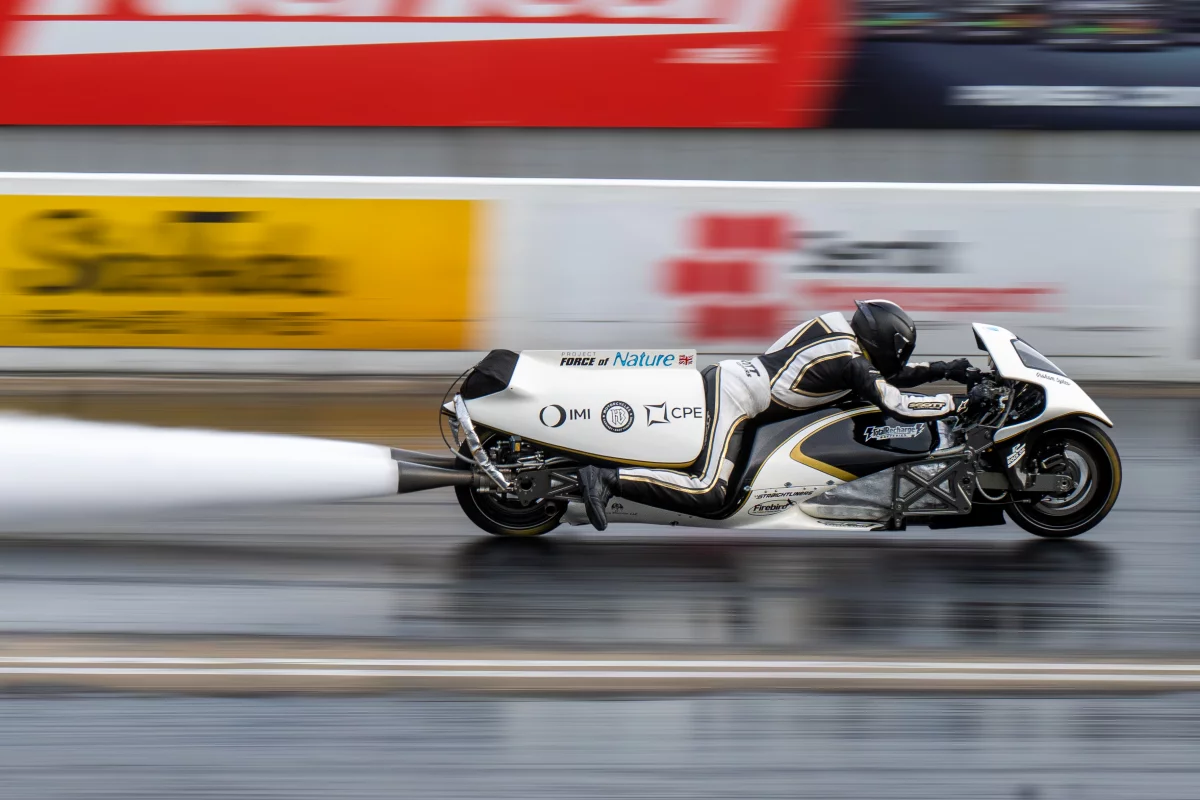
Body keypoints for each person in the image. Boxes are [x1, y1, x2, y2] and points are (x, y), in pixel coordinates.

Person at [577, 299, 976, 531]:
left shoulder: (836, 332)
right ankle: (607, 478)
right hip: (737, 397)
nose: (897, 358)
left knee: (712, 486)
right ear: (883, 342)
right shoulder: (851, 359)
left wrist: (945, 369)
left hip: (737, 384)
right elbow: (893, 400)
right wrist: (954, 403)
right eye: (897, 349)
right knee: (711, 492)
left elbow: (890, 376)